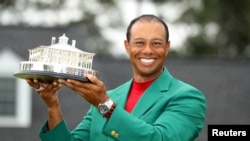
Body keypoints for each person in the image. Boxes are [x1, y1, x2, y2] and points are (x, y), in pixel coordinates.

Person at [26, 14, 207, 141]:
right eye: (139, 43)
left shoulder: (187, 97)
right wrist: (53, 105)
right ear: (127, 46)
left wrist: (104, 105)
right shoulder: (107, 97)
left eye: (157, 43)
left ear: (167, 47)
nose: (148, 50)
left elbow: (159, 139)